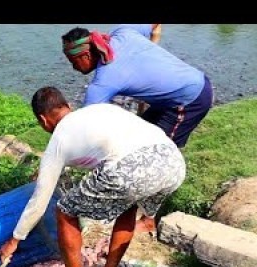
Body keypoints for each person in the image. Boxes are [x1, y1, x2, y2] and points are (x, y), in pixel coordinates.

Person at [0, 86, 186, 267]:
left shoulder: (58, 140)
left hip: (131, 169)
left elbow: (39, 201)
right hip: (172, 161)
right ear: (68, 106)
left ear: (43, 120)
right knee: (129, 204)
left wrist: (14, 241)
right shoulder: (101, 110)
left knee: (64, 211)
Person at [61, 24, 213, 233]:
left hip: (188, 101)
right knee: (140, 142)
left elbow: (83, 126)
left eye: (73, 61)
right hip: (181, 90)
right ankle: (138, 209)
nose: (73, 68)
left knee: (157, 157)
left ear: (86, 55)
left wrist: (61, 153)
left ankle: (150, 218)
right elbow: (154, 25)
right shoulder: (122, 32)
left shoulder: (105, 80)